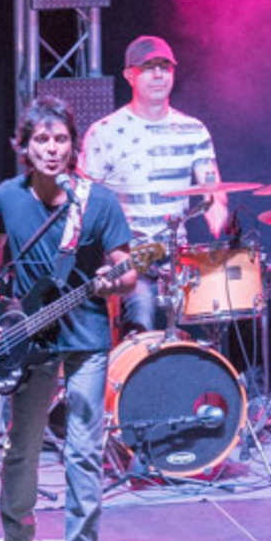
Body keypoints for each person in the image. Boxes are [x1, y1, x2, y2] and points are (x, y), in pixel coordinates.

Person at [0, 95, 136, 541]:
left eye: (60, 139)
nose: (51, 148)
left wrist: (115, 279)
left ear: (73, 146)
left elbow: (127, 269)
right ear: (24, 146)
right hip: (29, 336)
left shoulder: (98, 202)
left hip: (86, 336)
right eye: (41, 139)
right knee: (23, 445)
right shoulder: (7, 196)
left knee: (84, 451)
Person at [78, 35, 227, 332]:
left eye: (165, 67)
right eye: (148, 67)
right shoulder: (104, 133)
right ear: (129, 75)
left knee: (219, 312)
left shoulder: (193, 130)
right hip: (128, 263)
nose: (159, 74)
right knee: (142, 312)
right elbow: (83, 202)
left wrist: (216, 211)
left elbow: (213, 192)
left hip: (179, 259)